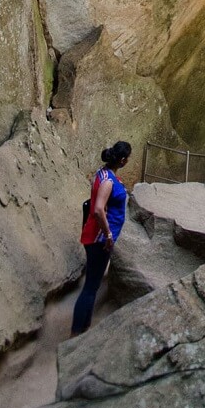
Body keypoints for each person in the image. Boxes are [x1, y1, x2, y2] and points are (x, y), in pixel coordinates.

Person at [71, 141, 132, 336]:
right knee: (90, 287)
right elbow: (98, 209)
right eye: (127, 158)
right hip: (99, 240)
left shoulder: (103, 173)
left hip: (96, 236)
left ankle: (84, 327)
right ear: (122, 160)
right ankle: (76, 333)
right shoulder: (108, 181)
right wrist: (108, 234)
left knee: (93, 284)